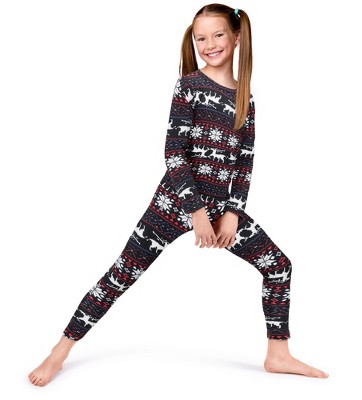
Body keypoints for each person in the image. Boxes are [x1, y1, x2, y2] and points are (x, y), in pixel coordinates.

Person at [28, 3, 329, 386]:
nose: (209, 44)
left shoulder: (246, 100)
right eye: (201, 38)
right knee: (122, 273)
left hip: (221, 210)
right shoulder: (189, 86)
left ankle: (278, 353)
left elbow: (244, 163)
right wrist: (196, 212)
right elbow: (174, 153)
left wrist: (232, 213)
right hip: (173, 204)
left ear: (237, 37)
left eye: (218, 35)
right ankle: (59, 351)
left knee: (279, 266)